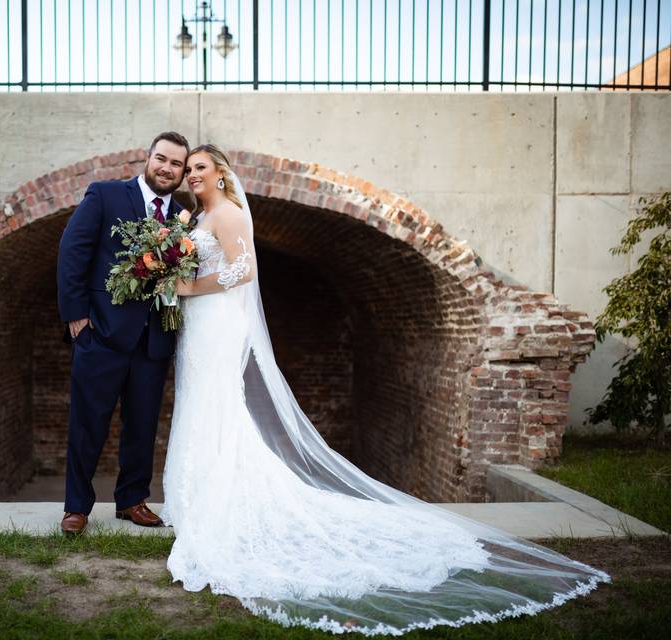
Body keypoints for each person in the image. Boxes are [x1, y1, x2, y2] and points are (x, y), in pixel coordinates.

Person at [162, 143, 611, 635]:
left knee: (220, 407)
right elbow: (201, 266)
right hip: (199, 324)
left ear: (221, 174)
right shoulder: (195, 217)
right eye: (189, 169)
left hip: (219, 320)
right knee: (201, 404)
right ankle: (196, 498)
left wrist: (190, 289)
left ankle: (222, 500)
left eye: (200, 167)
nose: (192, 174)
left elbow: (241, 271)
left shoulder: (226, 212)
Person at [55, 131, 190, 536]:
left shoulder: (186, 219)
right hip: (101, 335)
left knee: (143, 424)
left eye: (176, 164)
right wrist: (77, 317)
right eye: (161, 159)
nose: (166, 168)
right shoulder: (106, 195)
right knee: (87, 423)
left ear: (183, 173)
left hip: (153, 342)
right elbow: (72, 251)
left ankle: (132, 499)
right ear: (147, 159)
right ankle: (76, 507)